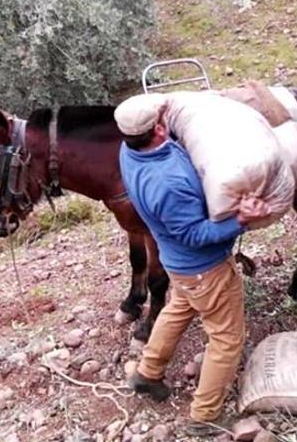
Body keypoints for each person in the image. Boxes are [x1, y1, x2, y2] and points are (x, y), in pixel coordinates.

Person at [114, 97, 272, 437]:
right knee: (228, 339)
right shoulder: (168, 182)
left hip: (177, 265)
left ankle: (147, 372)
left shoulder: (129, 152)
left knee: (178, 309)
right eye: (161, 121)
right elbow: (194, 234)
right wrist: (242, 220)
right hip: (205, 269)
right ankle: (205, 416)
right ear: (157, 129)